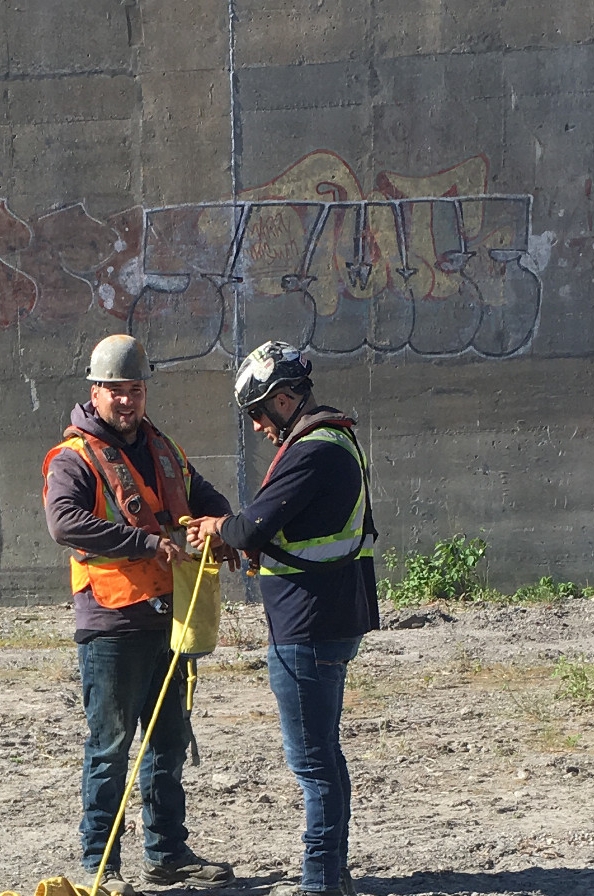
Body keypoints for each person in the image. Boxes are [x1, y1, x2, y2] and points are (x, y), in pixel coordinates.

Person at [42, 335, 236, 896]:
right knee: (109, 745)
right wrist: (145, 542)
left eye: (135, 391)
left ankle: (167, 855)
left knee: (168, 739)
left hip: (168, 615)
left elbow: (202, 494)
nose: (126, 402)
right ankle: (99, 868)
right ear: (94, 391)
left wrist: (226, 528)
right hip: (111, 620)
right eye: (116, 392)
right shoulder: (73, 459)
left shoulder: (162, 448)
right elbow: (65, 524)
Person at [187, 341, 380, 896]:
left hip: (308, 625)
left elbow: (250, 527)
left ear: (286, 396)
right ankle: (333, 874)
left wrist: (217, 530)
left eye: (258, 413)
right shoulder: (331, 440)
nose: (256, 427)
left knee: (312, 763)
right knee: (325, 754)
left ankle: (319, 881)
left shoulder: (314, 449)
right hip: (326, 618)